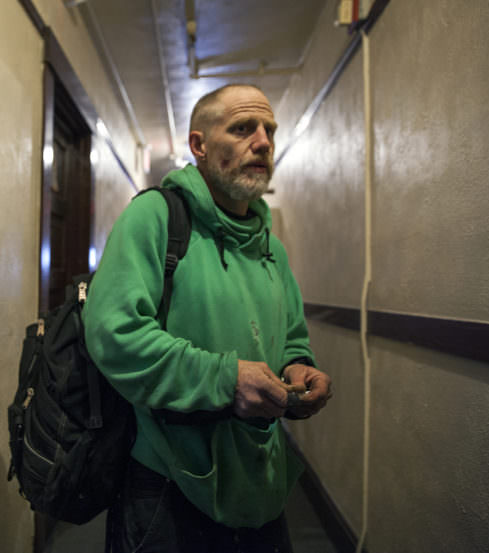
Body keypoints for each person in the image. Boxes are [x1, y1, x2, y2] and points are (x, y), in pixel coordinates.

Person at [81, 84, 332, 553]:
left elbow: (292, 338)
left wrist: (298, 368)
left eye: (269, 131)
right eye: (242, 129)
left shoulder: (271, 249)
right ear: (198, 145)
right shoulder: (156, 218)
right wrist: (225, 379)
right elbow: (113, 333)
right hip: (166, 486)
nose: (262, 142)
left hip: (262, 484)